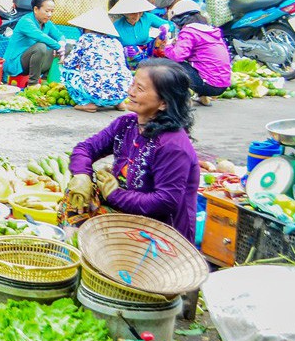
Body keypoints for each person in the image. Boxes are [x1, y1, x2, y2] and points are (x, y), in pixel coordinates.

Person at [67, 59, 200, 242]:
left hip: (160, 232)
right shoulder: (127, 124)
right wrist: (82, 175)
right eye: (132, 84)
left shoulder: (172, 145)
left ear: (163, 103)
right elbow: (86, 148)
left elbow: (165, 201)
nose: (130, 92)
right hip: (127, 212)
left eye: (140, 88)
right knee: (74, 197)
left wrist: (115, 194)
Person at [60, 8, 131, 113]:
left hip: (96, 94)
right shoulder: (116, 42)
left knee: (66, 71)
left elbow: (69, 63)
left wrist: (63, 60)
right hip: (123, 92)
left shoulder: (86, 39)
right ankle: (119, 102)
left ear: (87, 28)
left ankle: (86, 104)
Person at [162, 0, 231, 106]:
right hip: (222, 84)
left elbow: (177, 56)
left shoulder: (189, 31)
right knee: (198, 65)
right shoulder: (210, 30)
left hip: (208, 84)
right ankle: (203, 97)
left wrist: (168, 46)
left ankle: (185, 98)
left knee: (169, 64)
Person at [2, 0, 65, 85]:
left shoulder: (47, 22)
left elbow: (60, 35)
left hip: (33, 63)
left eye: (52, 11)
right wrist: (58, 47)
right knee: (40, 47)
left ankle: (48, 79)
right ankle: (33, 84)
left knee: (69, 47)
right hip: (16, 64)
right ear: (36, 9)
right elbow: (40, 36)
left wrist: (62, 44)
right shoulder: (26, 21)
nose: (49, 14)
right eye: (47, 11)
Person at [109, 0, 175, 70]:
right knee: (132, 50)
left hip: (148, 50)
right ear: (125, 13)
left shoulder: (146, 17)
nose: (137, 16)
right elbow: (111, 46)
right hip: (130, 57)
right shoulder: (116, 26)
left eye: (140, 13)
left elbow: (171, 25)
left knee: (162, 39)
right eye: (133, 13)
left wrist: (166, 28)